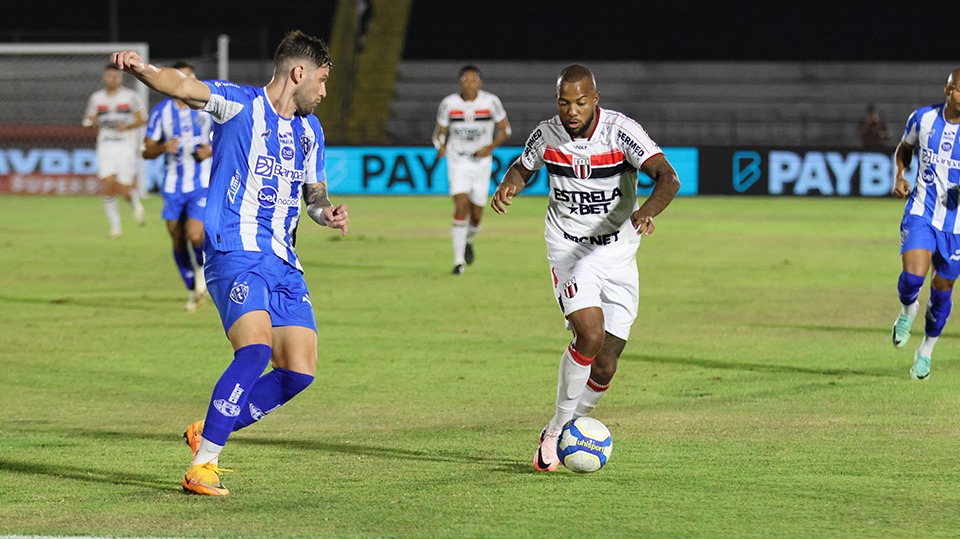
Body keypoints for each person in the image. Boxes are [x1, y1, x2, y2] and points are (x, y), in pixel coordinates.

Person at [111, 29, 349, 496]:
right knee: (255, 350)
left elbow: (314, 196)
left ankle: (210, 427)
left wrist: (326, 214)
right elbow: (183, 86)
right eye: (321, 81)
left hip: (284, 261)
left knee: (298, 370)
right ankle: (203, 466)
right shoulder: (239, 104)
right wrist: (143, 71)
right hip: (234, 252)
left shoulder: (310, 131)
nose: (323, 92)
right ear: (298, 73)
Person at [491, 64, 680, 472]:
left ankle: (574, 421)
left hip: (618, 250)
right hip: (569, 250)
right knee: (589, 335)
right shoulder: (546, 135)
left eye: (580, 102)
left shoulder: (621, 132)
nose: (571, 111)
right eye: (564, 102)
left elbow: (668, 177)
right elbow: (523, 166)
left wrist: (646, 212)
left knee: (608, 358)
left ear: (596, 99)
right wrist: (510, 184)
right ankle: (558, 430)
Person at [890, 67, 960, 381]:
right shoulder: (923, 119)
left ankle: (926, 351)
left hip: (956, 228)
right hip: (922, 211)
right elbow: (904, 149)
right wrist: (900, 175)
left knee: (942, 293)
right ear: (948, 90)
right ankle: (908, 310)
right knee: (911, 279)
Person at [142, 61, 214, 312]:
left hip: (202, 184)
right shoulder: (162, 112)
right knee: (176, 236)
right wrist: (162, 147)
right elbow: (146, 151)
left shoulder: (207, 110)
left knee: (195, 234)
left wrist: (211, 150)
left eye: (191, 78)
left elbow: (232, 138)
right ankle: (192, 286)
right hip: (173, 185)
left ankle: (203, 276)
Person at [433, 65, 511, 275]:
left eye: (473, 80)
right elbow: (439, 133)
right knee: (461, 205)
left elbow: (506, 129)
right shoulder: (449, 104)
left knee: (476, 213)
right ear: (460, 82)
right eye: (465, 80)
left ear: (480, 82)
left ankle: (468, 239)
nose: (469, 84)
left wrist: (490, 147)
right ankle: (458, 262)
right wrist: (440, 146)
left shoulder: (491, 102)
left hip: (481, 164)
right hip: (458, 160)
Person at [83, 63, 148, 238]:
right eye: (110, 76)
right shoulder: (97, 98)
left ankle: (134, 203)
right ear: (105, 77)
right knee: (108, 183)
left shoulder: (131, 97)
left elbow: (142, 119)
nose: (113, 79)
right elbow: (89, 120)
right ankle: (115, 226)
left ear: (120, 78)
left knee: (124, 188)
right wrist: (92, 123)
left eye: (116, 76)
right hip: (105, 145)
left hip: (126, 145)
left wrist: (127, 126)